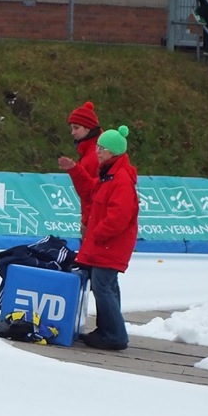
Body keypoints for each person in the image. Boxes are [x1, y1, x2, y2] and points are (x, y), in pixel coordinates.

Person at [58, 125, 138, 351]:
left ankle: (115, 335)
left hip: (110, 245)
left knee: (103, 286)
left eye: (102, 149)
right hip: (106, 244)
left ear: (113, 152)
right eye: (97, 148)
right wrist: (75, 170)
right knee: (106, 286)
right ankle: (107, 331)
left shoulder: (120, 179)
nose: (98, 152)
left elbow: (119, 216)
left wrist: (97, 234)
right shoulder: (109, 175)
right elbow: (90, 190)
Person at [64, 100, 102, 243]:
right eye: (71, 128)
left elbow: (91, 193)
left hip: (95, 222)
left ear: (88, 128)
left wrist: (86, 222)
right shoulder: (90, 151)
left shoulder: (94, 156)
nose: (72, 132)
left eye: (76, 128)